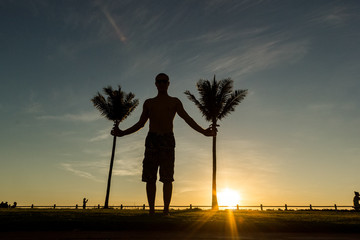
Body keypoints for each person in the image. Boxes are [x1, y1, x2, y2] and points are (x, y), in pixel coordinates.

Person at [111, 73, 215, 215]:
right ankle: (152, 211)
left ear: (168, 83)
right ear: (155, 84)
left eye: (164, 81)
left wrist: (203, 131)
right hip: (152, 140)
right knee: (150, 177)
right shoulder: (149, 103)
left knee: (167, 178)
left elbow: (187, 118)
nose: (161, 84)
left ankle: (166, 211)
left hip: (167, 140)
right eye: (159, 81)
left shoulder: (174, 102)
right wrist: (122, 133)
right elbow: (141, 123)